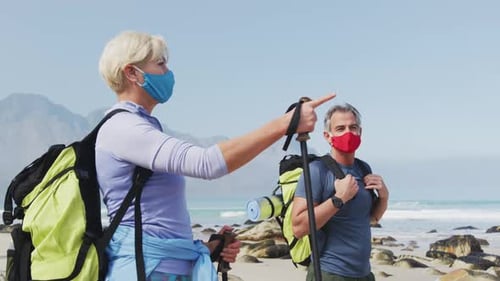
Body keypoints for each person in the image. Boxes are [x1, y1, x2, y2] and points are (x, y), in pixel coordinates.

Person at [96, 30, 335, 281]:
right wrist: (286, 123)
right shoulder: (123, 128)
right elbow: (207, 163)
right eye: (160, 63)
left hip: (161, 269)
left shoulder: (140, 126)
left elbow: (157, 222)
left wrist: (210, 248)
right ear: (132, 72)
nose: (168, 72)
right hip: (142, 273)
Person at [291, 103, 389, 281]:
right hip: (330, 273)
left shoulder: (363, 168)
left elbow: (371, 218)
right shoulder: (317, 170)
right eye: (340, 128)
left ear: (360, 132)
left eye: (353, 127)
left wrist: (384, 196)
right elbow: (298, 228)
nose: (348, 133)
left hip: (364, 274)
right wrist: (338, 199)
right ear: (328, 136)